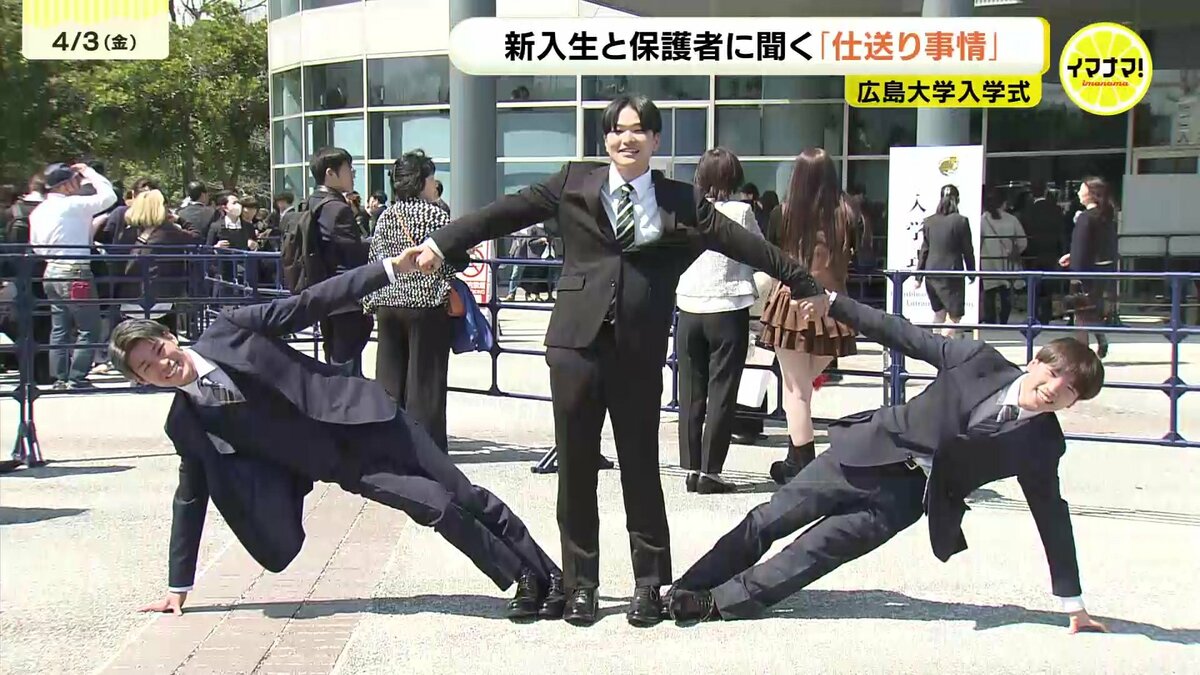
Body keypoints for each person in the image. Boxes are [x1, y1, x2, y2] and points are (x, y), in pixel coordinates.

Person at [400, 94, 823, 627]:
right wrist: (440, 244)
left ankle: (650, 583)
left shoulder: (680, 200)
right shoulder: (573, 182)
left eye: (639, 130)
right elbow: (503, 213)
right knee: (576, 469)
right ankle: (582, 585)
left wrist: (803, 282)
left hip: (637, 350)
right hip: (575, 346)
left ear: (655, 140)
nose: (628, 138)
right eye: (618, 130)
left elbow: (742, 243)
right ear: (606, 139)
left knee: (641, 467)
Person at [113, 258, 563, 622]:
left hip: (371, 418)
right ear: (142, 381)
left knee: (464, 493)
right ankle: (522, 577)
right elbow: (190, 497)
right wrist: (178, 585)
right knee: (437, 507)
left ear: (169, 337)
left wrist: (390, 270)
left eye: (159, 351)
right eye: (148, 368)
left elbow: (311, 302)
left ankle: (550, 576)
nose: (163, 365)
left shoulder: (229, 330)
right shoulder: (186, 423)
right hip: (346, 466)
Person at [666, 289, 1109, 636]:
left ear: (1072, 403)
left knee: (815, 552)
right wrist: (835, 303)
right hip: (865, 452)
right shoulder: (980, 361)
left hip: (905, 498)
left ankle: (718, 603)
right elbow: (902, 334)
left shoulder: (1041, 443)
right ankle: (689, 584)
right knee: (771, 518)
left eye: (1070, 390)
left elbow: (1052, 514)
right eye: (1054, 373)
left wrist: (1073, 602)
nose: (1055, 389)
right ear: (1035, 362)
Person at [759, 148, 859, 485]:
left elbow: (772, 256)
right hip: (835, 307)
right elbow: (858, 255)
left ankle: (802, 467)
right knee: (802, 389)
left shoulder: (783, 213)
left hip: (791, 305)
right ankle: (795, 459)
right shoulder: (848, 214)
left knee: (796, 390)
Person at [674, 147, 763, 494]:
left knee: (690, 392)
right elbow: (759, 253)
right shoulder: (741, 212)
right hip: (728, 306)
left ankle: (691, 467)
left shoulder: (686, 209)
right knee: (721, 391)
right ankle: (711, 471)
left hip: (688, 305)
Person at [364, 150, 459, 452]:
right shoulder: (436, 216)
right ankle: (426, 453)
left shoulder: (386, 216)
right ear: (421, 181)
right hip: (426, 306)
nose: (434, 185)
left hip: (389, 305)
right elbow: (451, 263)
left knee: (389, 382)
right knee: (425, 386)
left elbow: (375, 261)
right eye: (431, 179)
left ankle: (387, 449)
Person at [307, 147, 373, 376]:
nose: (353, 173)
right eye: (348, 168)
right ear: (330, 173)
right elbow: (354, 252)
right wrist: (376, 243)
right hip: (345, 297)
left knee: (334, 359)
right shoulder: (336, 209)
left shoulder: (312, 202)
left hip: (323, 293)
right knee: (346, 368)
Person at [1059, 176, 1116, 359]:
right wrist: (1072, 255)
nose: (1078, 193)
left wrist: (1075, 273)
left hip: (1085, 271)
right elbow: (1101, 245)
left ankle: (1082, 353)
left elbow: (1081, 247)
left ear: (1091, 194)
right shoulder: (1106, 216)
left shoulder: (1085, 218)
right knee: (1090, 309)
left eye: (1081, 189)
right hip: (1102, 269)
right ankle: (1100, 337)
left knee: (1080, 314)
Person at [915, 184, 976, 337]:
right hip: (952, 274)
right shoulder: (961, 221)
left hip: (931, 274)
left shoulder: (929, 221)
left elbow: (924, 249)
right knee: (954, 316)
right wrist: (971, 272)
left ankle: (934, 344)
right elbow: (967, 249)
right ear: (957, 200)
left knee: (939, 313)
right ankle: (943, 345)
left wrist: (918, 276)